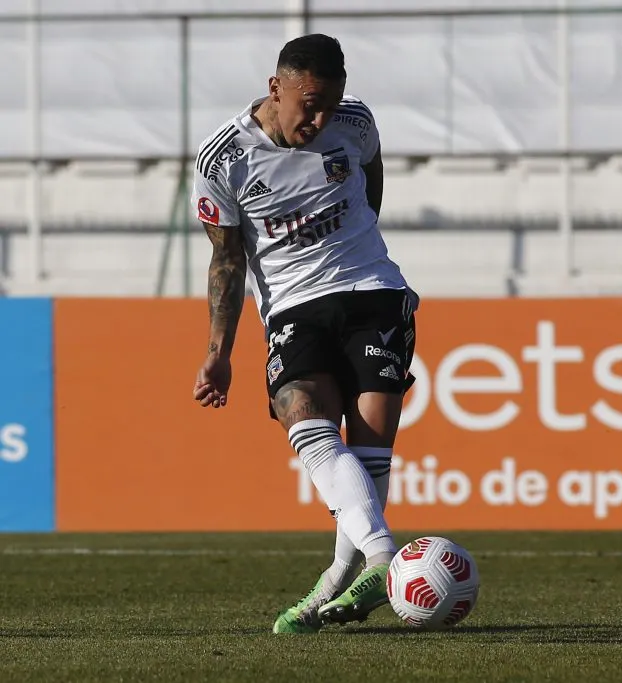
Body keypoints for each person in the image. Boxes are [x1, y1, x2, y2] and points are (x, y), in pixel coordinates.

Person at [190, 33, 417, 634]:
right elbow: (227, 263)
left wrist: (359, 237)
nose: (318, 119)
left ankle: (342, 578)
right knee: (305, 415)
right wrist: (218, 352)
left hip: (373, 292)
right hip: (294, 308)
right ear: (277, 86)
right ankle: (379, 562)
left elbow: (370, 173)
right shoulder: (224, 161)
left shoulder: (354, 121)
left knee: (370, 449)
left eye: (328, 104)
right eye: (308, 103)